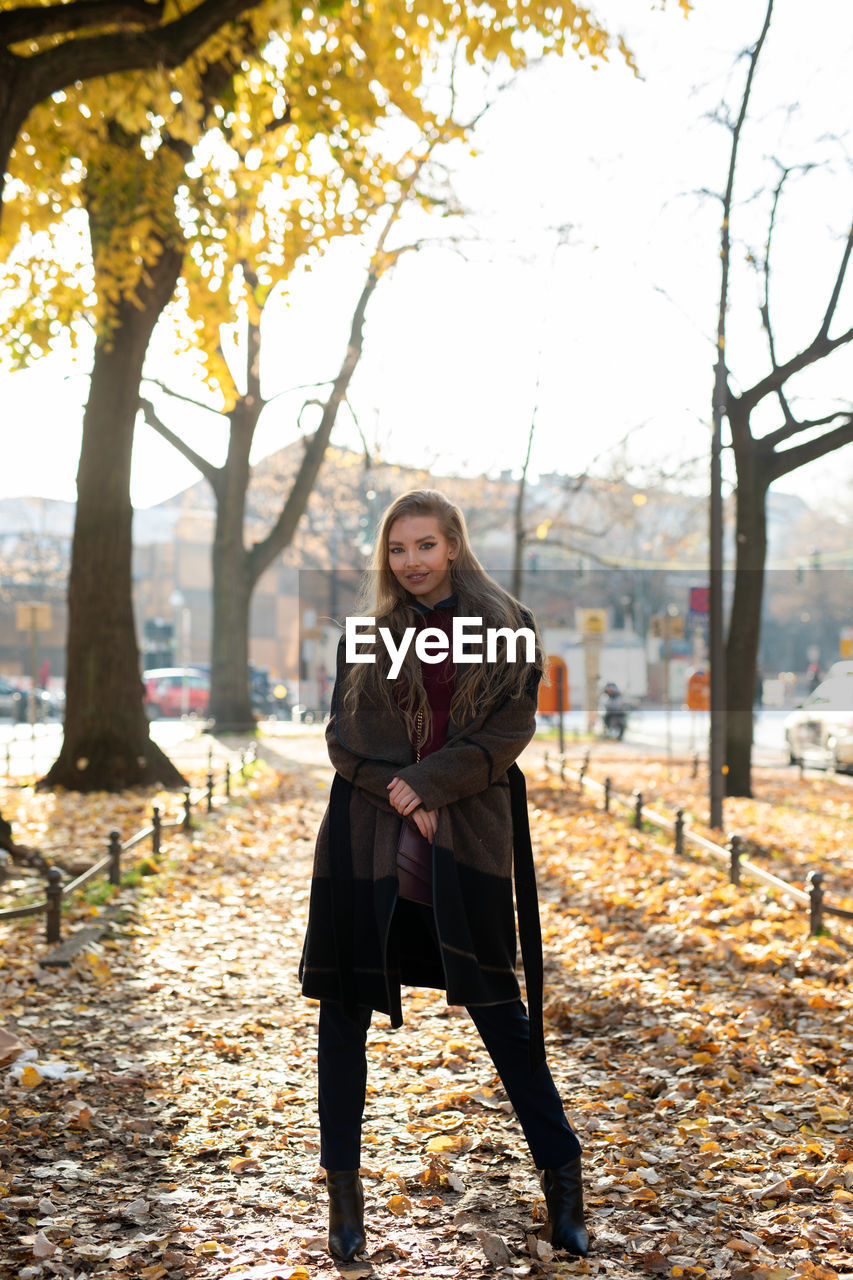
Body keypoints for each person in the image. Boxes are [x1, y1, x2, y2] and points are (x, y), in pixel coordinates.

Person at [299, 489, 589, 1261]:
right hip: (367, 846)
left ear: (452, 545)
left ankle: (562, 1177)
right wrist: (402, 792)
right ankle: (344, 1200)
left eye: (424, 546)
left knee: (501, 1013)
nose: (411, 562)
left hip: (465, 840)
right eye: (398, 550)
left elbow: (508, 730)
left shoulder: (506, 629)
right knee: (342, 1019)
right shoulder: (368, 636)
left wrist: (431, 787)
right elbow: (343, 738)